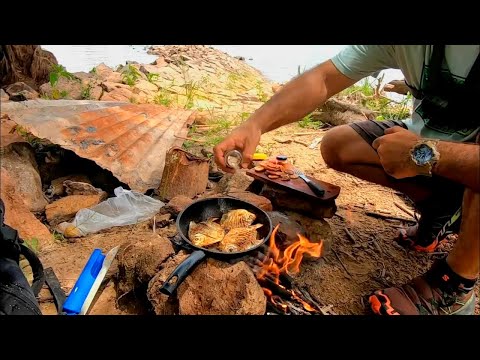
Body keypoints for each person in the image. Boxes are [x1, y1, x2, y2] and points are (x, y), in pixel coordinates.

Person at [213, 45, 479, 315]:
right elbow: (324, 79)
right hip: (428, 142)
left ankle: (456, 284)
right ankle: (442, 208)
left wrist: (424, 153)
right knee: (339, 145)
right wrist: (255, 124)